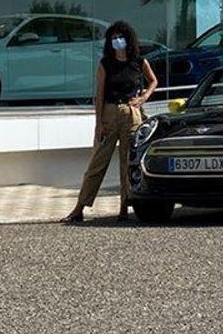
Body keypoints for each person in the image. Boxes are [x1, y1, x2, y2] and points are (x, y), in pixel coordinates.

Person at [62, 21, 158, 223]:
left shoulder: (138, 62)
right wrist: (99, 123)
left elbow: (153, 81)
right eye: (113, 38)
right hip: (110, 112)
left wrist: (143, 97)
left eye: (120, 37)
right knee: (98, 162)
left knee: (128, 162)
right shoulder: (106, 64)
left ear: (128, 39)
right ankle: (79, 208)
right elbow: (99, 94)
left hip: (132, 114)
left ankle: (125, 208)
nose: (117, 41)